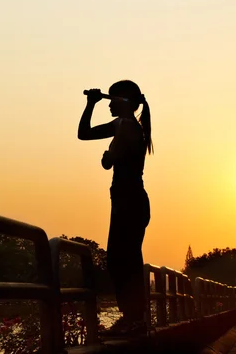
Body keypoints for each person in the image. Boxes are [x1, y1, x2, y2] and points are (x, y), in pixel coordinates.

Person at [77, 80, 153, 337]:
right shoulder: (128, 126)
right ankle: (134, 318)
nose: (108, 104)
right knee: (125, 260)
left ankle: (134, 319)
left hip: (128, 202)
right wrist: (91, 104)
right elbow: (85, 134)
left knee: (122, 261)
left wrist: (108, 155)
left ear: (122, 102)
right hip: (128, 201)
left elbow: (106, 160)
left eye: (112, 100)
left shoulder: (125, 125)